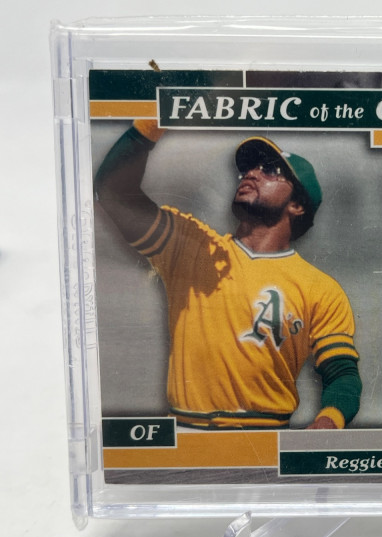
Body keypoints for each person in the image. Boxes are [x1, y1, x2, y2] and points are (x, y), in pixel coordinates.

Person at [94, 120, 361, 430]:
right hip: (186, 435)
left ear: (298, 205)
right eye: (249, 168)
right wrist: (153, 121)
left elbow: (342, 373)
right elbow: (112, 191)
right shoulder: (192, 246)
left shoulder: (321, 288)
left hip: (267, 440)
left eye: (271, 170)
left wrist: (329, 420)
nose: (252, 173)